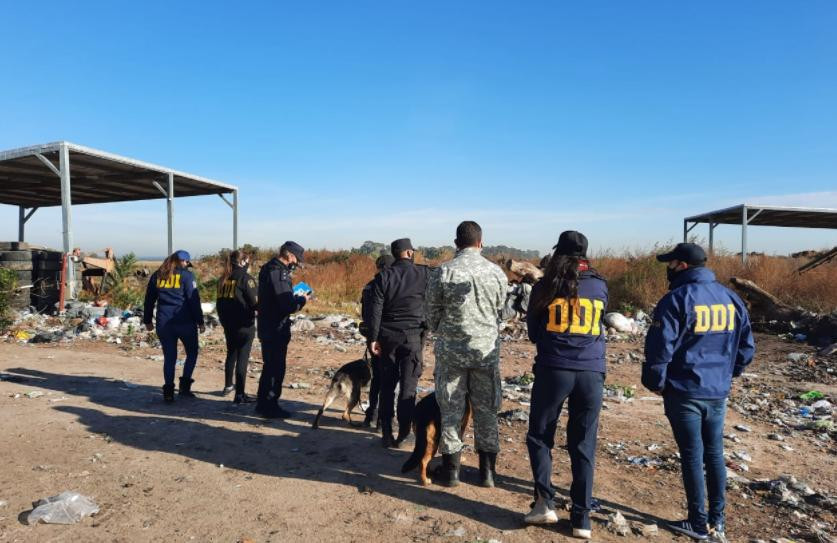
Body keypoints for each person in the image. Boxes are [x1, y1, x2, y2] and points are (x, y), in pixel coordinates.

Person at [642, 242, 755, 542]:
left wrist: (656, 382)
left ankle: (697, 520)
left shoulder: (676, 299)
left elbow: (659, 348)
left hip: (684, 391)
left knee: (692, 455)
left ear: (682, 266)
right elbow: (747, 347)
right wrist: (730, 373)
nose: (668, 268)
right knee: (715, 454)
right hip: (717, 391)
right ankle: (717, 522)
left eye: (671, 263)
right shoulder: (731, 298)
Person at [522, 231, 608, 540]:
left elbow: (533, 333)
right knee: (583, 444)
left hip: (554, 370)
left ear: (558, 252)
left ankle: (544, 503)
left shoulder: (545, 286)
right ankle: (582, 519)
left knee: (541, 436)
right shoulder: (599, 285)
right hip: (592, 373)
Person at [426, 221, 508, 487]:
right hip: (485, 352)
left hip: (451, 353)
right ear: (481, 243)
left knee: (450, 409)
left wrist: (447, 330)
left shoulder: (443, 272)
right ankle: (487, 474)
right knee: (486, 410)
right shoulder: (496, 273)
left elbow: (431, 316)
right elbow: (502, 312)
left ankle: (451, 472)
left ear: (456, 243)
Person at [367, 238, 429, 448]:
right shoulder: (423, 274)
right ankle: (403, 432)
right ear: (409, 253)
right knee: (408, 388)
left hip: (387, 338)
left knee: (387, 386)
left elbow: (375, 311)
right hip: (413, 337)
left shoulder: (383, 276)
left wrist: (372, 339)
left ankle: (386, 432)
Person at [256, 241, 310, 418]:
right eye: (295, 258)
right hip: (275, 327)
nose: (296, 262)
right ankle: (270, 405)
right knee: (275, 367)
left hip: (267, 324)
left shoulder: (267, 268)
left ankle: (262, 403)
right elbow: (286, 305)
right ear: (288, 254)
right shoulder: (279, 272)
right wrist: (301, 300)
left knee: (269, 365)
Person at [143, 250, 205, 403]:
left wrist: (147, 320)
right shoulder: (187, 276)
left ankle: (168, 392)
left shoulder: (157, 275)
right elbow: (193, 300)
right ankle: (185, 387)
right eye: (185, 262)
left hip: (164, 323)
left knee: (170, 358)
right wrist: (200, 321)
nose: (186, 265)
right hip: (185, 322)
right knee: (192, 352)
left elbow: (149, 299)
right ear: (180, 261)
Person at [216, 249, 259, 404]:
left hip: (228, 324)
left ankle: (228, 386)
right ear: (242, 262)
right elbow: (255, 303)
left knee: (231, 354)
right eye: (248, 262)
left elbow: (219, 304)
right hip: (244, 324)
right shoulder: (246, 278)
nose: (249, 265)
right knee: (242, 357)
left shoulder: (223, 279)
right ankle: (240, 395)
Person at [360, 253, 395, 428]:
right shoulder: (389, 285)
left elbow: (364, 313)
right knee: (389, 380)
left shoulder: (368, 287)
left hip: (372, 338)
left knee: (377, 378)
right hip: (387, 337)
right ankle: (383, 418)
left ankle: (371, 414)